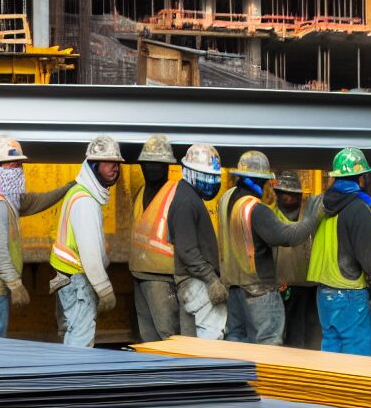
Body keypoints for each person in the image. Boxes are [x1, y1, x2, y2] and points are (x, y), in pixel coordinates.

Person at [0, 136, 74, 337]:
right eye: (13, 164)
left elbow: (33, 201)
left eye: (20, 165)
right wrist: (15, 283)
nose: (19, 170)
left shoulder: (2, 196)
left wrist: (67, 188)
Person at [217, 150, 321, 344]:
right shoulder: (256, 209)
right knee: (269, 344)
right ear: (261, 181)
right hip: (258, 291)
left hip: (234, 290)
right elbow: (288, 237)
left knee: (237, 342)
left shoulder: (226, 201)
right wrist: (312, 218)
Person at [309, 148, 371, 354]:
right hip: (349, 292)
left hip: (324, 292)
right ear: (361, 177)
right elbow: (367, 252)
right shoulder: (358, 207)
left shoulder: (320, 204)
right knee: (356, 359)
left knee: (331, 350)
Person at [49, 135, 122, 347]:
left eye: (116, 163)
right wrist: (104, 289)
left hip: (68, 278)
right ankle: (72, 379)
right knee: (80, 341)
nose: (115, 168)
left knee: (73, 335)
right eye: (108, 162)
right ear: (94, 164)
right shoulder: (86, 201)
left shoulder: (79, 193)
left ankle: (67, 376)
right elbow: (89, 253)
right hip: (79, 280)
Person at [167, 143, 228, 339]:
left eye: (213, 178)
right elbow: (187, 250)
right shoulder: (186, 201)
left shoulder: (190, 196)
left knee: (194, 342)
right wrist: (211, 279)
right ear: (189, 173)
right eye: (206, 177)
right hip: (197, 282)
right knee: (212, 338)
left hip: (193, 281)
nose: (211, 183)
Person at [129, 133, 182, 342]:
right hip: (139, 273)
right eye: (147, 163)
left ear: (168, 166)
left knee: (168, 333)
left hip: (163, 276)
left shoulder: (176, 193)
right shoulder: (140, 193)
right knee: (147, 335)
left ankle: (175, 373)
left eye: (158, 164)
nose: (151, 168)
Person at [272, 170, 322, 349]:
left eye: (294, 194)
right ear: (277, 194)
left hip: (311, 286)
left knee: (312, 332)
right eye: (285, 193)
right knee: (289, 334)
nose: (289, 197)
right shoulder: (271, 217)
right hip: (284, 287)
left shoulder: (308, 218)